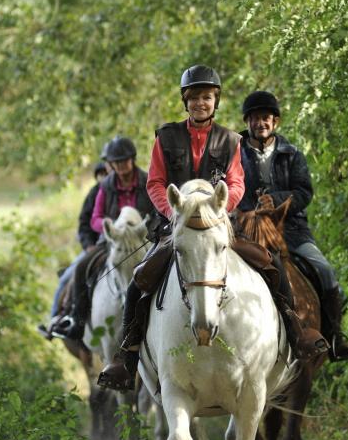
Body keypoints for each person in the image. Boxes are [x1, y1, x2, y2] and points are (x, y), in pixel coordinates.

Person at [98, 65, 327, 391]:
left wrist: (221, 209)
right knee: (139, 280)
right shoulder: (166, 137)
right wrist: (172, 211)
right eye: (194, 98)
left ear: (215, 101)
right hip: (177, 226)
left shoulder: (231, 139)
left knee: (272, 264)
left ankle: (295, 333)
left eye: (206, 98)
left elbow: (236, 183)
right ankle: (127, 357)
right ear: (186, 102)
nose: (200, 103)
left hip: (219, 225)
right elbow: (156, 182)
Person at [238, 90, 348, 362]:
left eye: (266, 118)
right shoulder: (234, 155)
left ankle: (335, 335)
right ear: (247, 122)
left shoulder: (292, 154)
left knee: (325, 272)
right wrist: (250, 209)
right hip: (248, 230)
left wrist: (277, 200)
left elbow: (304, 192)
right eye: (255, 118)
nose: (261, 123)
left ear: (275, 122)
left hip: (290, 230)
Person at [50, 135, 154, 340]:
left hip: (142, 240)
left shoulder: (148, 182)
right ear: (111, 164)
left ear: (132, 160)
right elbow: (95, 218)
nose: (121, 166)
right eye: (116, 162)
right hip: (112, 241)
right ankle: (76, 322)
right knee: (80, 268)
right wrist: (111, 228)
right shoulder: (105, 186)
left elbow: (156, 212)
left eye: (124, 161)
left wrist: (143, 228)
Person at [38, 153, 109, 339]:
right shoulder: (95, 194)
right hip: (97, 248)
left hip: (126, 246)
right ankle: (55, 319)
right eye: (100, 174)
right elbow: (84, 225)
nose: (104, 178)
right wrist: (88, 246)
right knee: (68, 277)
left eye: (106, 173)